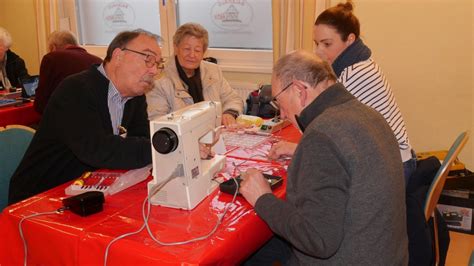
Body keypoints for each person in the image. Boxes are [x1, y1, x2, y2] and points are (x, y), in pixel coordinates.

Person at [241, 50, 408, 265]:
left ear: (300, 90)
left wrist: (262, 197)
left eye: (280, 103)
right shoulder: (367, 114)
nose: (281, 114)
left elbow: (317, 240)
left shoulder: (321, 136)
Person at [8, 29, 162, 205]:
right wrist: (162, 147)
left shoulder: (134, 96)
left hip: (88, 191)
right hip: (39, 198)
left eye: (158, 64)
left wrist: (166, 142)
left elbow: (142, 137)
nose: (154, 70)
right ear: (118, 56)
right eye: (148, 59)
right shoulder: (76, 90)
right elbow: (97, 149)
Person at [313, 1, 416, 181]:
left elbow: (324, 126)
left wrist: (295, 148)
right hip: (394, 158)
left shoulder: (356, 73)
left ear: (350, 39)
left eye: (326, 44)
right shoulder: (360, 63)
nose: (318, 52)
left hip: (395, 167)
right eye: (317, 44)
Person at [146, 23, 243, 127]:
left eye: (197, 50)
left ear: (203, 52)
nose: (192, 55)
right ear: (176, 48)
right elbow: (157, 121)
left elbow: (233, 98)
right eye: (187, 49)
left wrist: (229, 113)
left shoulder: (213, 71)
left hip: (214, 134)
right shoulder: (159, 79)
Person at [34, 30, 102, 114]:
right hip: (96, 119)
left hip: (65, 119)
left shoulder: (52, 58)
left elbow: (40, 103)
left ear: (53, 47)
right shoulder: (98, 60)